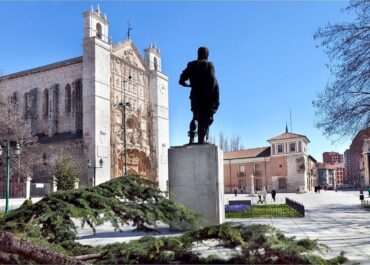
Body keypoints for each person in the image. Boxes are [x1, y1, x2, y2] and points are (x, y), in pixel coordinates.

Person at [179, 47, 220, 144]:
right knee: (203, 118)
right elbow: (213, 82)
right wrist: (215, 99)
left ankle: (191, 138)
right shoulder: (209, 65)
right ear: (207, 54)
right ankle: (201, 141)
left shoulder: (191, 65)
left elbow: (181, 80)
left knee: (195, 116)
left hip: (195, 95)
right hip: (206, 97)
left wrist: (189, 85)